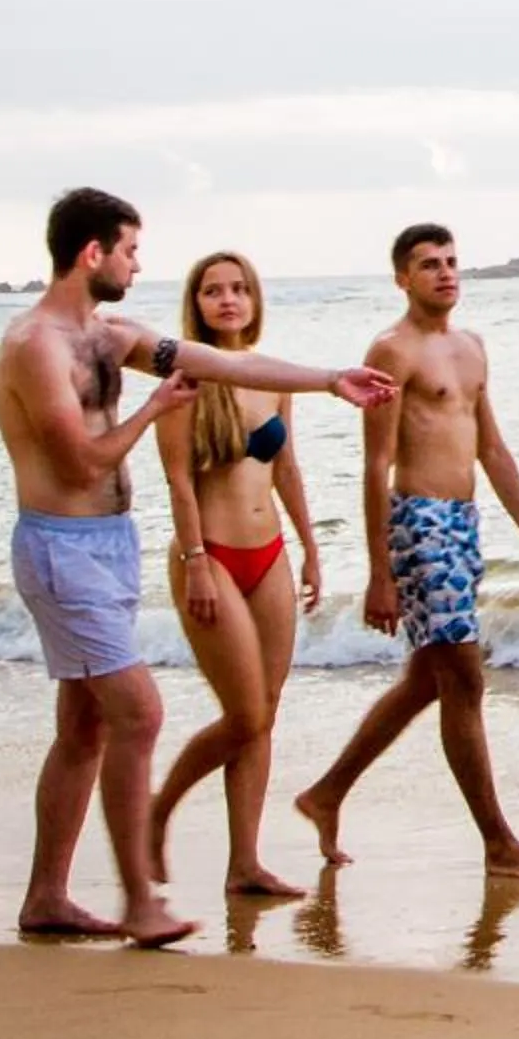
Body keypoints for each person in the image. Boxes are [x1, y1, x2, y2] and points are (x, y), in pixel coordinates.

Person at [0, 187, 393, 948]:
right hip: (60, 545)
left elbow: (212, 360)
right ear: (92, 254)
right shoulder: (35, 346)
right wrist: (154, 411)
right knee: (138, 715)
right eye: (130, 251)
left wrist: (327, 379)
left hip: (107, 546)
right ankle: (143, 900)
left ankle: (47, 897)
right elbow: (78, 464)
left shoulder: (109, 337)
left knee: (83, 726)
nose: (137, 266)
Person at [294, 223, 519, 881]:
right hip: (418, 522)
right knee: (465, 680)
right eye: (428, 265)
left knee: (428, 679)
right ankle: (499, 844)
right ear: (403, 278)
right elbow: (376, 464)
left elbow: (492, 449)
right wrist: (378, 574)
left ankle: (326, 794)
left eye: (451, 262)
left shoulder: (472, 349)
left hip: (464, 521)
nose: (445, 273)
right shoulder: (391, 350)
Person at [148, 250, 324, 899]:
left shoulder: (269, 376)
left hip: (268, 553)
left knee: (266, 714)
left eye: (239, 289)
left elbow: (287, 468)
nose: (228, 300)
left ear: (255, 300)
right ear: (194, 304)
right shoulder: (185, 382)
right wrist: (195, 561)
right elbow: (177, 481)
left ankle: (244, 864)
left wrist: (309, 545)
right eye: (214, 291)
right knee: (244, 714)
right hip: (211, 557)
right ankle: (159, 808)